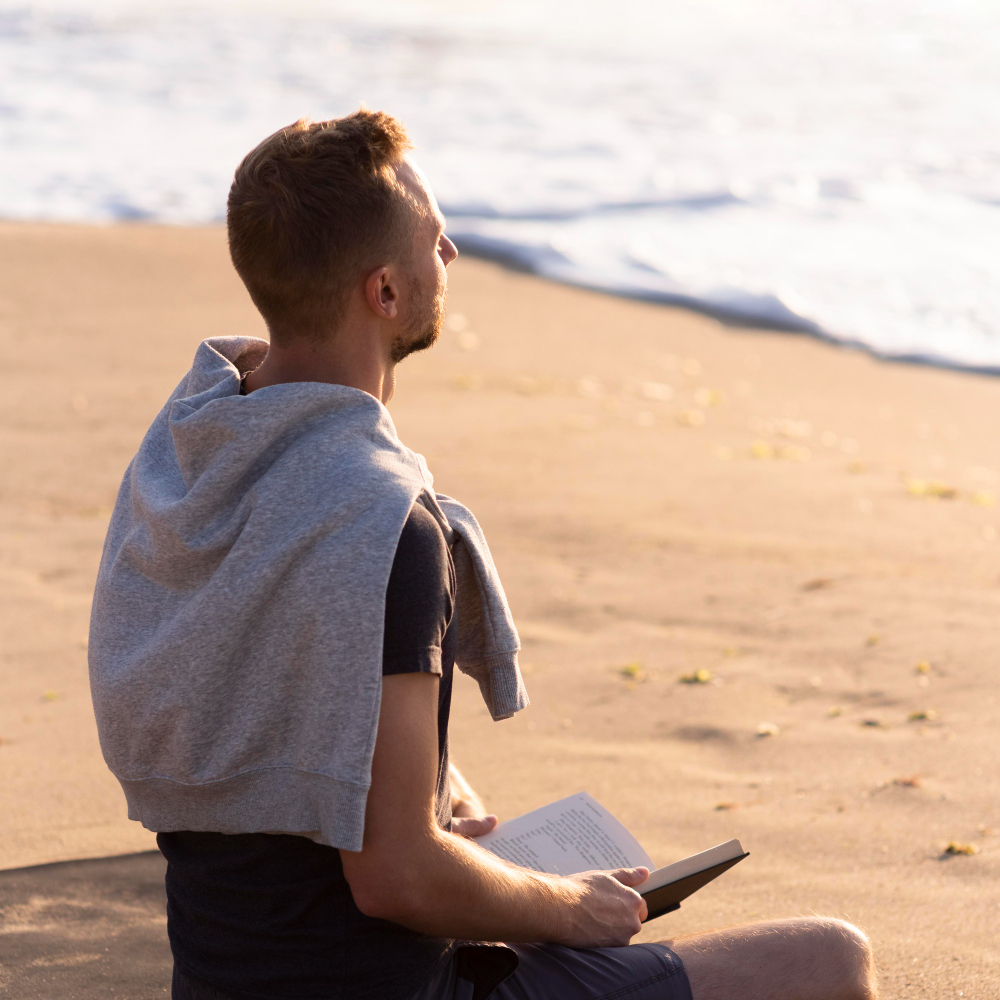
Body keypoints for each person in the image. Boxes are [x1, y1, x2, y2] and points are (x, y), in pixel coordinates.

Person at [88, 111, 878, 1000]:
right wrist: (568, 906)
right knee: (826, 958)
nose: (453, 252)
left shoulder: (193, 459)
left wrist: (434, 810)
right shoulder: (382, 523)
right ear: (384, 292)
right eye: (433, 238)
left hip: (219, 980)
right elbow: (394, 878)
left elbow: (285, 712)